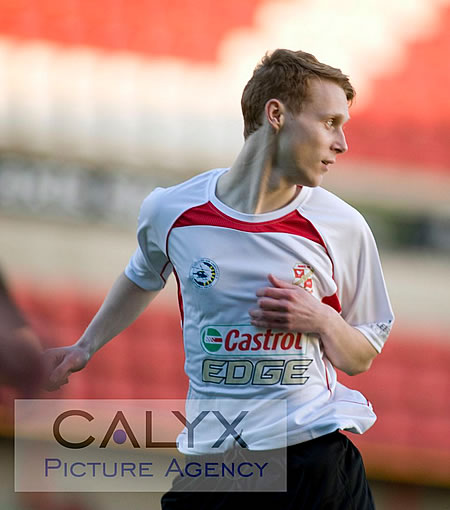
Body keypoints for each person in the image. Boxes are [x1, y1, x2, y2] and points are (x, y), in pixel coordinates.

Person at [44, 49, 394, 509]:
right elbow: (143, 274)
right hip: (215, 465)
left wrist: (322, 321)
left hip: (311, 460)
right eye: (330, 121)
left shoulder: (341, 226)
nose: (342, 143)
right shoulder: (172, 211)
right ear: (276, 115)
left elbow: (362, 356)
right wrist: (85, 345)